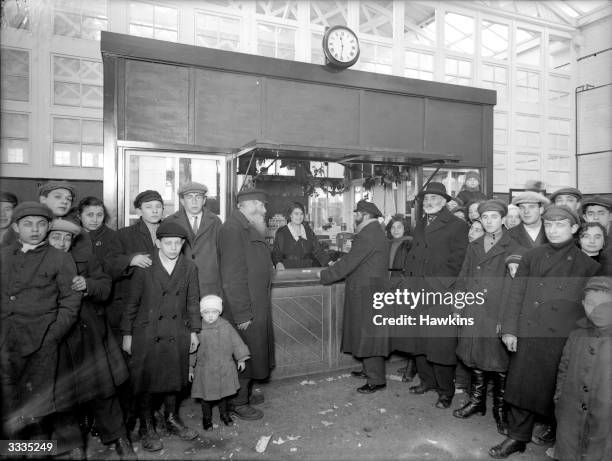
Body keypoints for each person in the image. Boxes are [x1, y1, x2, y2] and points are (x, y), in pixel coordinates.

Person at [490, 205, 600, 459]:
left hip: (563, 339)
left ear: (574, 229)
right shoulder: (532, 256)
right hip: (529, 333)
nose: (553, 230)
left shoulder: (587, 266)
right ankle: (517, 437)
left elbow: (591, 313)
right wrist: (509, 330)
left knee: (560, 391)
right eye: (549, 224)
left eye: (560, 224)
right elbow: (516, 295)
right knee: (521, 387)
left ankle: (559, 435)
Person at [47, 218, 134, 459]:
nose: (62, 243)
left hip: (89, 332)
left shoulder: (86, 257)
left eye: (67, 238)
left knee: (104, 390)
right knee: (64, 394)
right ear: (46, 236)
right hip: (56, 335)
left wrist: (88, 285)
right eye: (56, 237)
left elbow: (105, 286)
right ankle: (74, 445)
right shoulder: (38, 260)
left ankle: (119, 438)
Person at [0, 202, 82, 456]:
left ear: (48, 227)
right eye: (27, 224)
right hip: (5, 341)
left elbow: (70, 301)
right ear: (15, 227)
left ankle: (39, 452)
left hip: (41, 342)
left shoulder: (60, 257)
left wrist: (53, 334)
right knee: (8, 401)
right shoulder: (3, 255)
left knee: (39, 404)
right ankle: (13, 451)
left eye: (41, 224)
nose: (34, 230)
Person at [121, 221, 200, 451]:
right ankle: (147, 425)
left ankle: (171, 418)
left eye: (178, 243)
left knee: (174, 379)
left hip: (177, 331)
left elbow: (193, 301)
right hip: (147, 332)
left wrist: (194, 331)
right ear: (158, 243)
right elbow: (132, 302)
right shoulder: (145, 266)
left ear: (183, 244)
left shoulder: (189, 267)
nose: (173, 247)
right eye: (168, 243)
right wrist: (127, 334)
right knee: (146, 381)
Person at [453, 200, 522, 436]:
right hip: (474, 311)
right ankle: (477, 402)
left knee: (499, 364)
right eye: (485, 217)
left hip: (497, 313)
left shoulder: (514, 246)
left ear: (503, 219)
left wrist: (507, 321)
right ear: (480, 220)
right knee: (474, 358)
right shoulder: (474, 246)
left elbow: (515, 290)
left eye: (494, 216)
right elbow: (463, 277)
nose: (490, 221)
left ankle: (500, 411)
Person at [401, 182, 469, 409]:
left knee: (440, 346)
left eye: (434, 199)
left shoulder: (458, 226)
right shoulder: (420, 223)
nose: (429, 203)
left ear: (444, 202)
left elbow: (457, 262)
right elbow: (413, 256)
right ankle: (426, 382)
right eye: (426, 199)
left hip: (440, 294)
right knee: (418, 343)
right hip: (416, 292)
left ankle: (445, 391)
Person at [319, 200, 389, 394]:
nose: (355, 215)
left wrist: (325, 275)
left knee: (369, 334)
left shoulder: (368, 234)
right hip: (368, 289)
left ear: (365, 215)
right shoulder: (373, 231)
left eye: (357, 212)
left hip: (367, 292)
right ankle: (369, 370)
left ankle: (377, 379)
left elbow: (350, 262)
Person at [217, 189, 275, 420]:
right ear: (244, 205)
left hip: (254, 303)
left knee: (252, 352)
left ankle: (244, 394)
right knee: (244, 353)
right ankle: (238, 402)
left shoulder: (244, 227)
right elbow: (232, 276)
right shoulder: (232, 230)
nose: (264, 210)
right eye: (260, 206)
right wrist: (242, 314)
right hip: (244, 307)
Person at [554, 276, 612, 461]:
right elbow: (563, 369)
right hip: (571, 415)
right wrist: (559, 398)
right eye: (590, 303)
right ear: (583, 304)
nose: (597, 310)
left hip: (604, 422)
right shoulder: (576, 334)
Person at [190, 295, 250, 431]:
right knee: (206, 397)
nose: (210, 316)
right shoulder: (198, 329)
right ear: (201, 313)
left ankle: (224, 414)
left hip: (224, 366)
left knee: (224, 394)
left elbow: (236, 342)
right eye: (206, 312)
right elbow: (192, 349)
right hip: (205, 369)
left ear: (219, 312)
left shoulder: (225, 325)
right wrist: (190, 367)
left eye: (214, 312)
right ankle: (207, 418)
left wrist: (241, 358)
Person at [165, 181, 222, 296]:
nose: (194, 201)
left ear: (204, 200)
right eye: (189, 197)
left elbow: (222, 252)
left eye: (198, 197)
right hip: (180, 282)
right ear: (182, 201)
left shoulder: (215, 221)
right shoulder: (171, 221)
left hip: (209, 283)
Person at [385, 214, 415, 382]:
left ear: (405, 229)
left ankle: (412, 367)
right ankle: (412, 364)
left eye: (399, 227)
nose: (396, 230)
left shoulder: (409, 243)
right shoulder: (389, 243)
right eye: (393, 227)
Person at [272, 201, 329, 269]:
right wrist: (278, 263)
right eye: (296, 214)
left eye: (301, 214)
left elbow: (318, 251)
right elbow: (276, 253)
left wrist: (329, 262)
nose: (299, 217)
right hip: (288, 270)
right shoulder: (282, 232)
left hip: (307, 270)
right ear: (290, 215)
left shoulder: (308, 231)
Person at [582, 196, 612, 276]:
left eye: (601, 213)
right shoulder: (579, 241)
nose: (596, 218)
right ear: (585, 218)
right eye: (591, 214)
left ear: (610, 216)